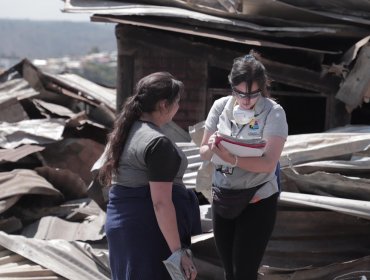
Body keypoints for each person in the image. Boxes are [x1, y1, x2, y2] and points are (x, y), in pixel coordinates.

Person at [97, 72, 201, 280]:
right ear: (164, 104)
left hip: (123, 227)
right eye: (177, 102)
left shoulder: (124, 132)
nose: (178, 108)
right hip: (149, 232)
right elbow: (161, 203)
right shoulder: (157, 143)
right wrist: (177, 252)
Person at [199, 51, 288, 280]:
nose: (246, 99)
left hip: (257, 198)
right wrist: (213, 146)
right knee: (229, 272)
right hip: (224, 195)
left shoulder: (273, 112)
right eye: (239, 93)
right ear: (231, 87)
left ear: (263, 88)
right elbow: (203, 152)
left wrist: (234, 159)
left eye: (252, 94)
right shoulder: (220, 107)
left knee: (244, 273)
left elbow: (268, 163)